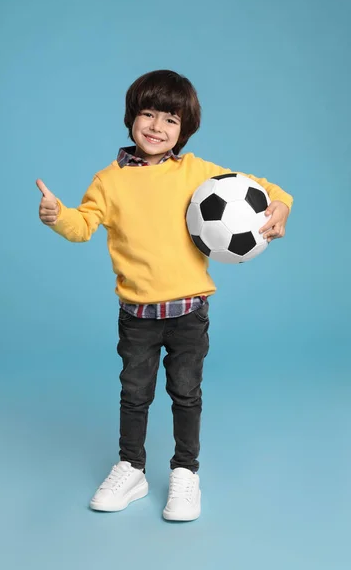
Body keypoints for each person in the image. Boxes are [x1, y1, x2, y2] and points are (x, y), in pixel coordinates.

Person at [36, 70, 293, 522]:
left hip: (189, 313)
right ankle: (131, 467)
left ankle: (185, 473)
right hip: (136, 314)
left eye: (170, 120)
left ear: (184, 129)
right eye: (147, 114)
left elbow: (268, 190)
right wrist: (58, 215)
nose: (156, 127)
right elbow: (82, 227)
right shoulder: (108, 181)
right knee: (134, 395)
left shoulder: (197, 173)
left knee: (185, 393)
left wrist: (282, 206)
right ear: (131, 119)